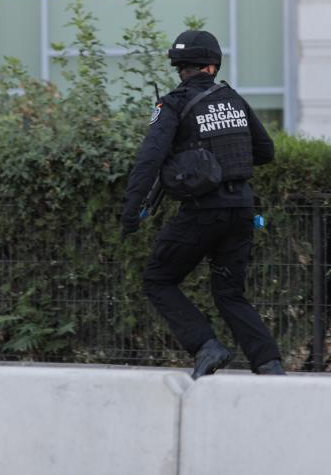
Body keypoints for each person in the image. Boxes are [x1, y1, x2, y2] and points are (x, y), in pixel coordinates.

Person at [121, 29, 285, 379]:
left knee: (158, 279)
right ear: (212, 65)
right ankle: (269, 364)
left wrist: (131, 210)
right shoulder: (234, 99)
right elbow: (265, 151)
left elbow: (150, 158)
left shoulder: (173, 104)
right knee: (230, 293)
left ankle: (206, 346)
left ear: (180, 67)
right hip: (241, 209)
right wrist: (222, 160)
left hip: (202, 212)